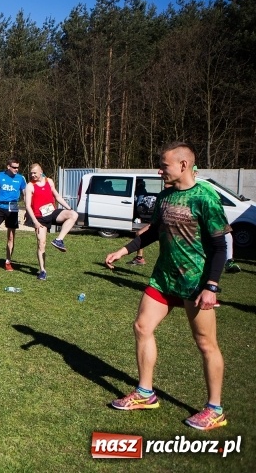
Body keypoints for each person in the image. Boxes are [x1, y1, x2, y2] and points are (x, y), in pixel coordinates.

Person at [105, 142, 229, 431]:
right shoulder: (164, 197)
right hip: (164, 278)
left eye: (164, 165)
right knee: (141, 327)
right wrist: (123, 251)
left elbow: (220, 247)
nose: (159, 170)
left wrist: (211, 286)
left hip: (195, 282)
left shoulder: (205, 198)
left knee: (205, 344)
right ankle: (145, 393)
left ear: (183, 165)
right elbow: (153, 233)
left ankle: (215, 409)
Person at [23, 163, 78, 280]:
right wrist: (35, 222)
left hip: (52, 213)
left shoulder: (49, 181)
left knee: (73, 214)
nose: (33, 175)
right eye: (31, 173)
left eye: (35, 173)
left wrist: (68, 208)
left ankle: (59, 240)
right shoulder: (30, 186)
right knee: (41, 244)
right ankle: (42, 270)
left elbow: (57, 197)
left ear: (41, 171)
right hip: (39, 218)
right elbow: (28, 206)